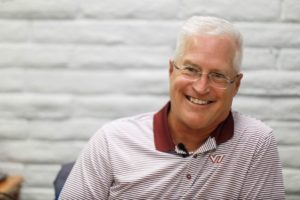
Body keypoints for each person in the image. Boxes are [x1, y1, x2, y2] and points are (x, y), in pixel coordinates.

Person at [59, 16, 285, 199]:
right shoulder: (111, 141)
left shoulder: (255, 143)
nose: (201, 86)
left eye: (217, 75)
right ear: (171, 71)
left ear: (235, 85)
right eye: (191, 69)